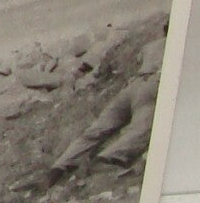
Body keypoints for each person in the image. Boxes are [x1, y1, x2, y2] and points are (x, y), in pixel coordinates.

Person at [40, 24, 168, 188]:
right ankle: (108, 158)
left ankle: (59, 166)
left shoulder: (149, 46)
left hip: (133, 85)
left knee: (97, 129)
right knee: (142, 128)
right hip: (153, 85)